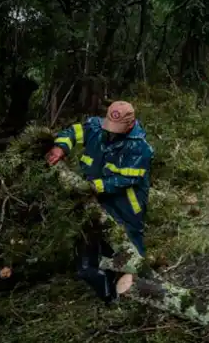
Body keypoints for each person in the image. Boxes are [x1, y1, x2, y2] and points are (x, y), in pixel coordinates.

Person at [45, 101, 154, 304]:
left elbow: (126, 179)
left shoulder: (139, 147)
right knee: (92, 241)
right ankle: (108, 291)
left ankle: (139, 288)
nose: (111, 133)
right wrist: (60, 147)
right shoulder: (95, 127)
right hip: (96, 199)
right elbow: (73, 132)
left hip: (126, 204)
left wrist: (96, 186)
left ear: (130, 125)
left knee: (128, 244)